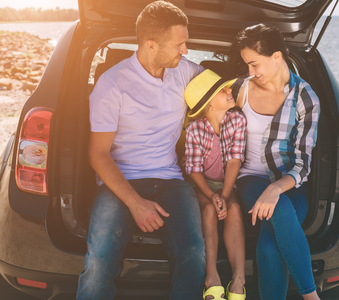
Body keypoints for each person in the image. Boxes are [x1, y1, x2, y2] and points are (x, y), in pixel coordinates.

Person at [76, 1, 206, 299]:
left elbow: (226, 89)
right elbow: (97, 154)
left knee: (194, 254)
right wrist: (136, 203)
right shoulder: (112, 85)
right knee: (98, 262)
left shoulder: (184, 72)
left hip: (171, 181)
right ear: (150, 45)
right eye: (179, 44)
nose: (185, 50)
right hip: (121, 183)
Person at [231, 24, 321, 300]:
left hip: (291, 183)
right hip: (250, 179)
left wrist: (275, 188)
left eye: (254, 63)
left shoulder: (306, 98)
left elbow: (303, 163)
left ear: (277, 56)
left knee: (270, 245)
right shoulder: (240, 90)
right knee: (279, 209)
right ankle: (312, 297)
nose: (250, 71)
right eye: (247, 64)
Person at [184, 69, 247, 300]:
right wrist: (213, 195)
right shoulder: (194, 129)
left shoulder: (237, 120)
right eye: (223, 90)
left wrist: (226, 195)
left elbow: (234, 161)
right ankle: (212, 275)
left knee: (235, 210)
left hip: (228, 182)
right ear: (209, 105)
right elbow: (193, 170)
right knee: (209, 210)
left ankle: (239, 278)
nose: (230, 90)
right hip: (202, 184)